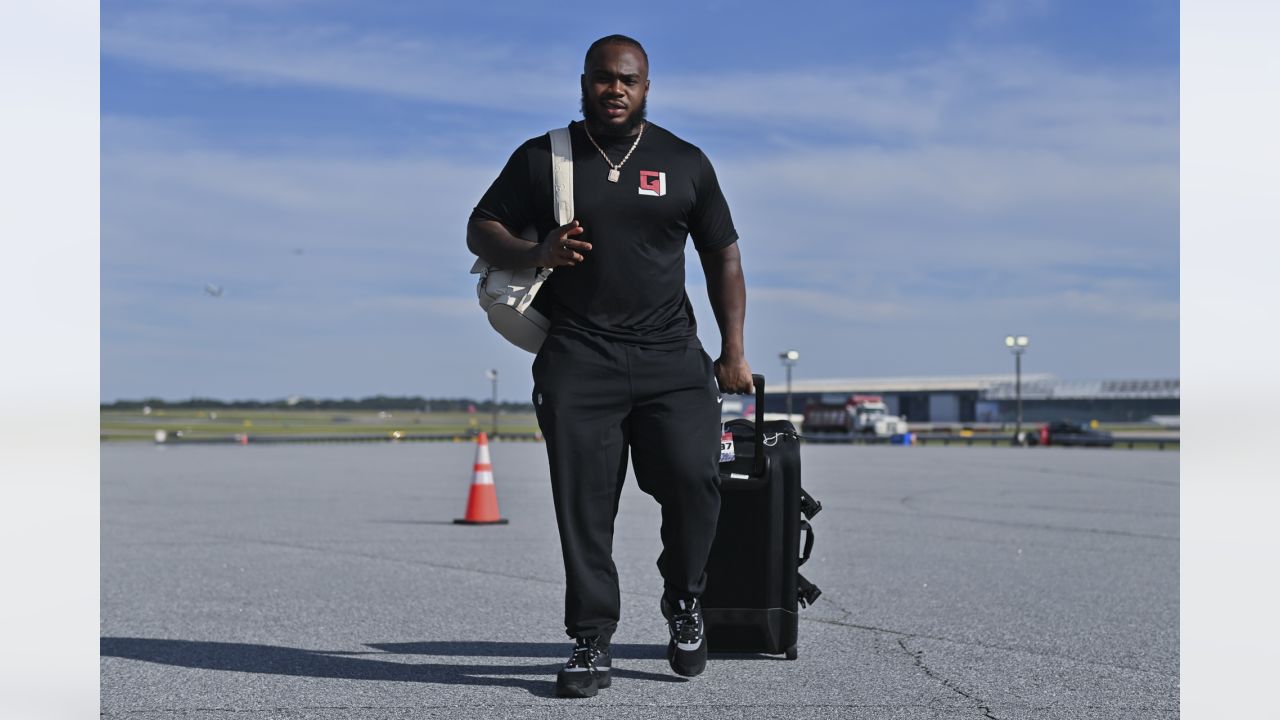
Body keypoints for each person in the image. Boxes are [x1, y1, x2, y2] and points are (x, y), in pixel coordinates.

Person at [466, 34, 753, 699]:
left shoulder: (685, 162)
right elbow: (480, 226)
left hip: (671, 358)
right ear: (584, 83)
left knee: (693, 482)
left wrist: (732, 352)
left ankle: (684, 599)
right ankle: (591, 640)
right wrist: (538, 250)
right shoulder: (546, 157)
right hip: (579, 357)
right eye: (603, 78)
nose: (615, 89)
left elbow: (724, 257)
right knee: (584, 507)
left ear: (647, 88)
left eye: (629, 80)